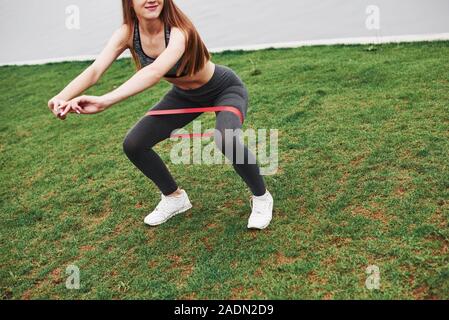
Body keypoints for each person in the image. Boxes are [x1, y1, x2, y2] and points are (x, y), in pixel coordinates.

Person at [47, 0, 273, 229]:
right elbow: (95, 70)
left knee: (225, 138)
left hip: (223, 89)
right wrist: (62, 96)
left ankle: (262, 197)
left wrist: (105, 101)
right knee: (134, 144)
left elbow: (154, 72)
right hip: (185, 96)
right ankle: (175, 198)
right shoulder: (128, 33)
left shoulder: (179, 31)